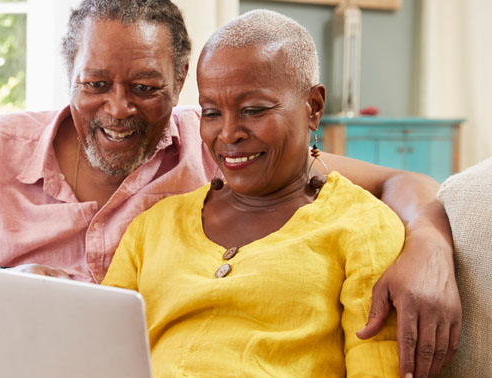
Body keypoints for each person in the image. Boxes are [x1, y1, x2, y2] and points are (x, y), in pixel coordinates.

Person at [0, 1, 460, 377]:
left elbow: (389, 183)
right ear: (71, 77)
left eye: (145, 87)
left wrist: (429, 239)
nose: (117, 110)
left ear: (180, 80)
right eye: (95, 84)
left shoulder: (218, 147)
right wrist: (22, 297)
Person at [101, 9, 408, 377]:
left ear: (313, 107)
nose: (228, 133)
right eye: (212, 113)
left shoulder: (363, 227)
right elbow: (98, 354)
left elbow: (377, 367)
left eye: (253, 110)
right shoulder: (152, 228)